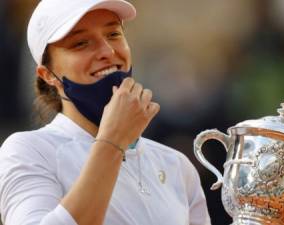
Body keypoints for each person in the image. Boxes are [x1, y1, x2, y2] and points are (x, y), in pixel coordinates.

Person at [0, 0, 211, 224]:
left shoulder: (175, 164)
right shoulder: (28, 151)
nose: (108, 51)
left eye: (113, 34)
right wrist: (113, 141)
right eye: (80, 43)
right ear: (48, 75)